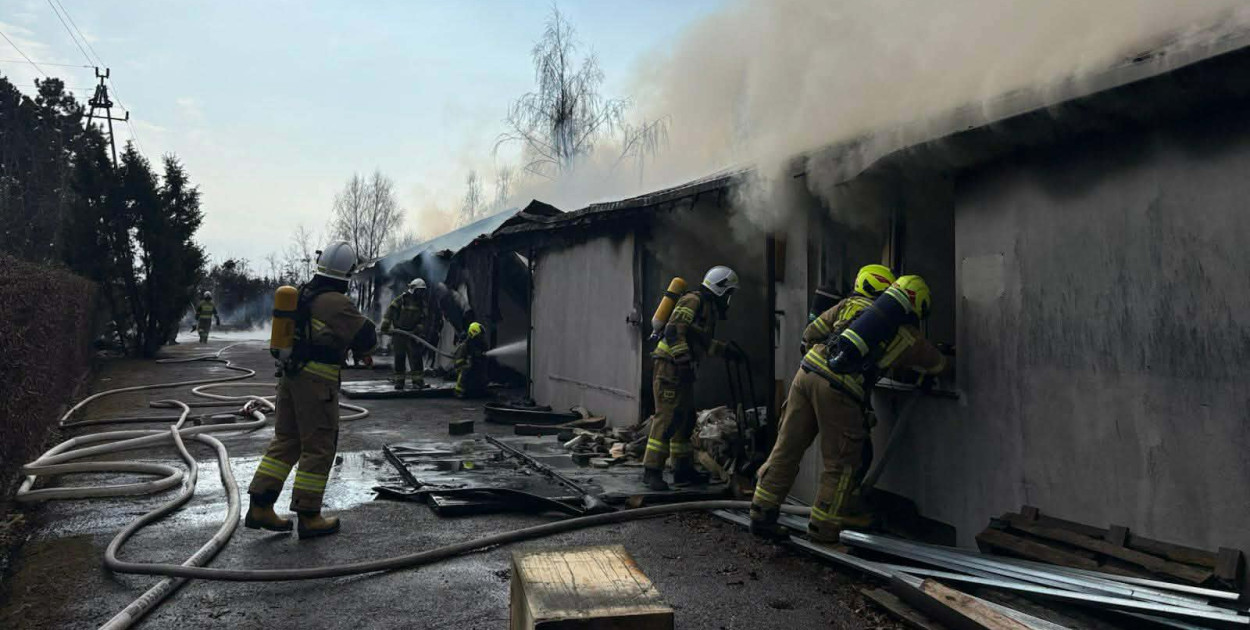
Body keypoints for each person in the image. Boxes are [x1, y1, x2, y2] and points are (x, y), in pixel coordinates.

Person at [750, 273, 946, 543]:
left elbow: (810, 333)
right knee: (841, 465)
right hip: (839, 390)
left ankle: (761, 512)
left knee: (787, 448)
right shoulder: (907, 336)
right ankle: (822, 531)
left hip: (805, 374)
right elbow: (936, 363)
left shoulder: (849, 305)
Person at [244, 240, 378, 539]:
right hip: (317, 385)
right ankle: (309, 515)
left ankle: (260, 506)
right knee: (319, 445)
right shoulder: (336, 302)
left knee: (287, 441)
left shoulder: (304, 293)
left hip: (291, 378)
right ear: (347, 273)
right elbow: (366, 337)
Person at [643, 265, 745, 491]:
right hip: (670, 367)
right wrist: (682, 360)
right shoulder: (693, 301)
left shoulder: (707, 308)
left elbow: (702, 343)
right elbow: (672, 332)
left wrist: (726, 351)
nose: (729, 299)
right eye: (728, 293)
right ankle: (651, 471)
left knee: (686, 418)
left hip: (682, 369)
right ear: (719, 288)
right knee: (667, 418)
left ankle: (682, 469)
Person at [380, 278, 431, 390]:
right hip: (400, 334)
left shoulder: (422, 303)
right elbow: (390, 313)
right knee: (400, 357)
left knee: (416, 357)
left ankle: (418, 382)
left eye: (422, 291)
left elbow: (424, 319)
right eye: (419, 290)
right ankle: (399, 382)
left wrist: (419, 329)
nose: (421, 293)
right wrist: (385, 327)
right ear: (413, 289)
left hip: (413, 334)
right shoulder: (401, 300)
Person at [453, 321, 488, 398]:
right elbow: (457, 362)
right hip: (463, 367)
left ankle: (481, 388)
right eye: (480, 336)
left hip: (476, 365)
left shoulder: (482, 344)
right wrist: (468, 361)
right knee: (466, 368)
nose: (481, 337)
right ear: (474, 334)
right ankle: (459, 390)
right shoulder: (465, 346)